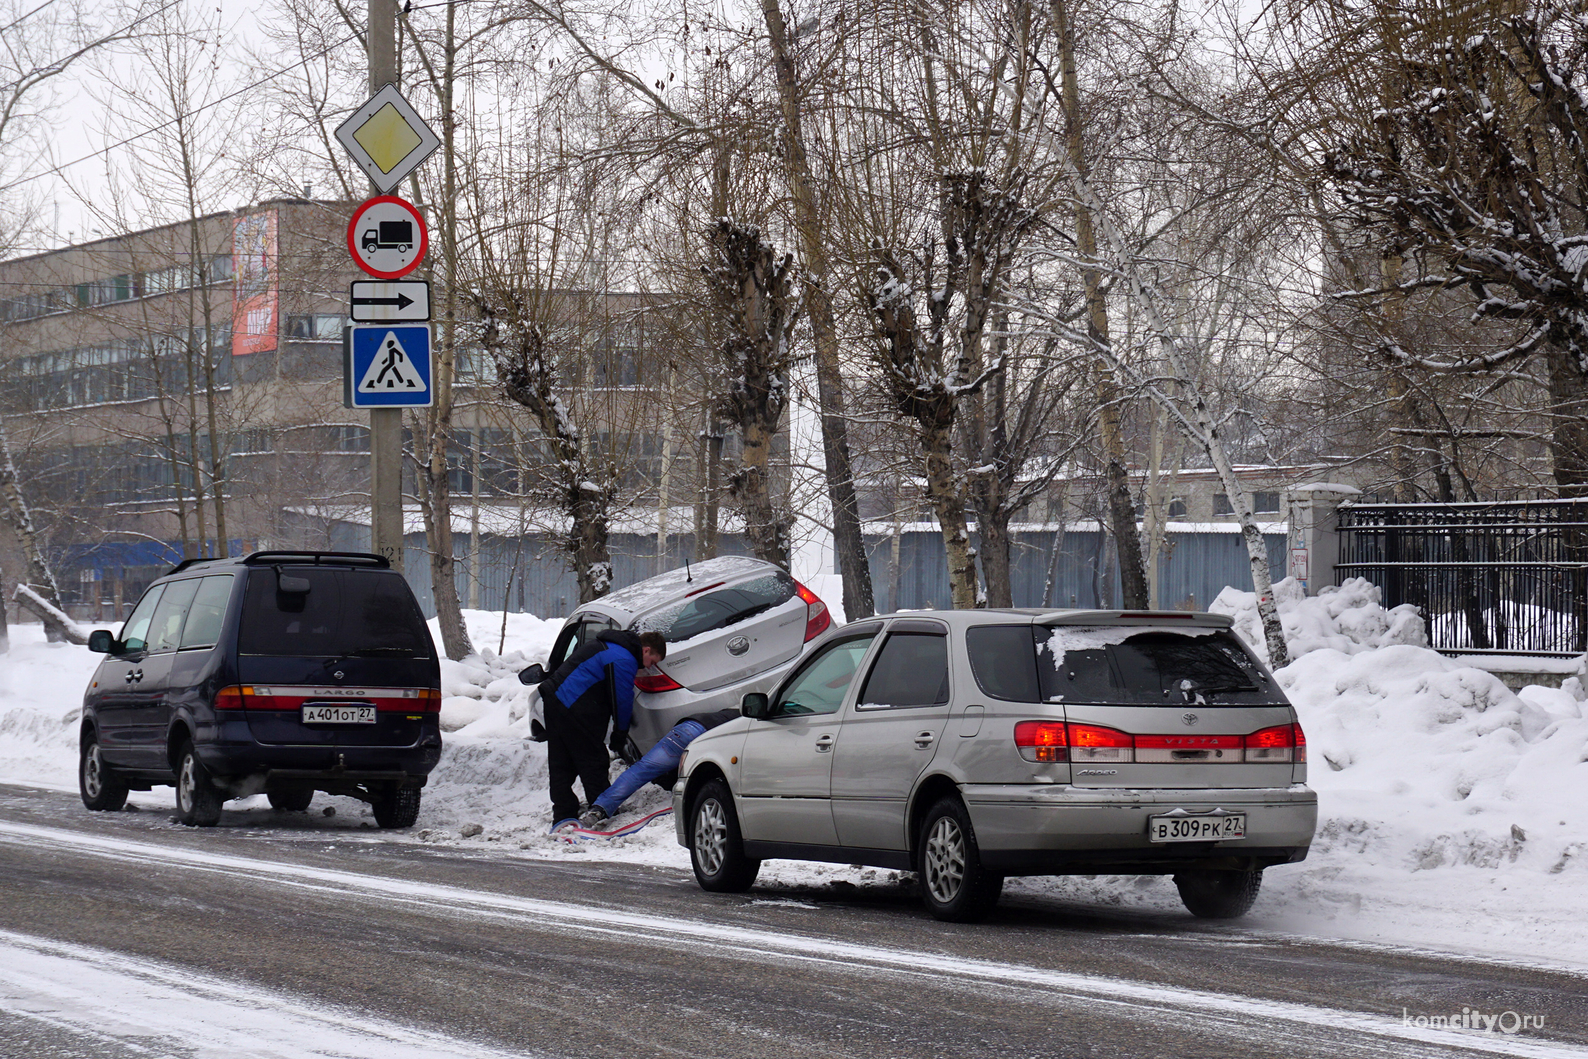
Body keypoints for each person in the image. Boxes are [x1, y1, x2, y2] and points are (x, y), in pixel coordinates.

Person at [539, 629, 667, 824]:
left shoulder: (611, 646)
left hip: (555, 700)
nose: (650, 667)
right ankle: (603, 811)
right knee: (593, 760)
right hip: (574, 707)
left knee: (561, 762)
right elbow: (621, 699)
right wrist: (620, 732)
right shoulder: (624, 658)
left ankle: (563, 814)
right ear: (646, 650)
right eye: (653, 661)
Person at [580, 707, 738, 828]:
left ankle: (599, 809)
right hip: (705, 737)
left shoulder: (729, 712)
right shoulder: (748, 722)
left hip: (683, 730)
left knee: (641, 770)